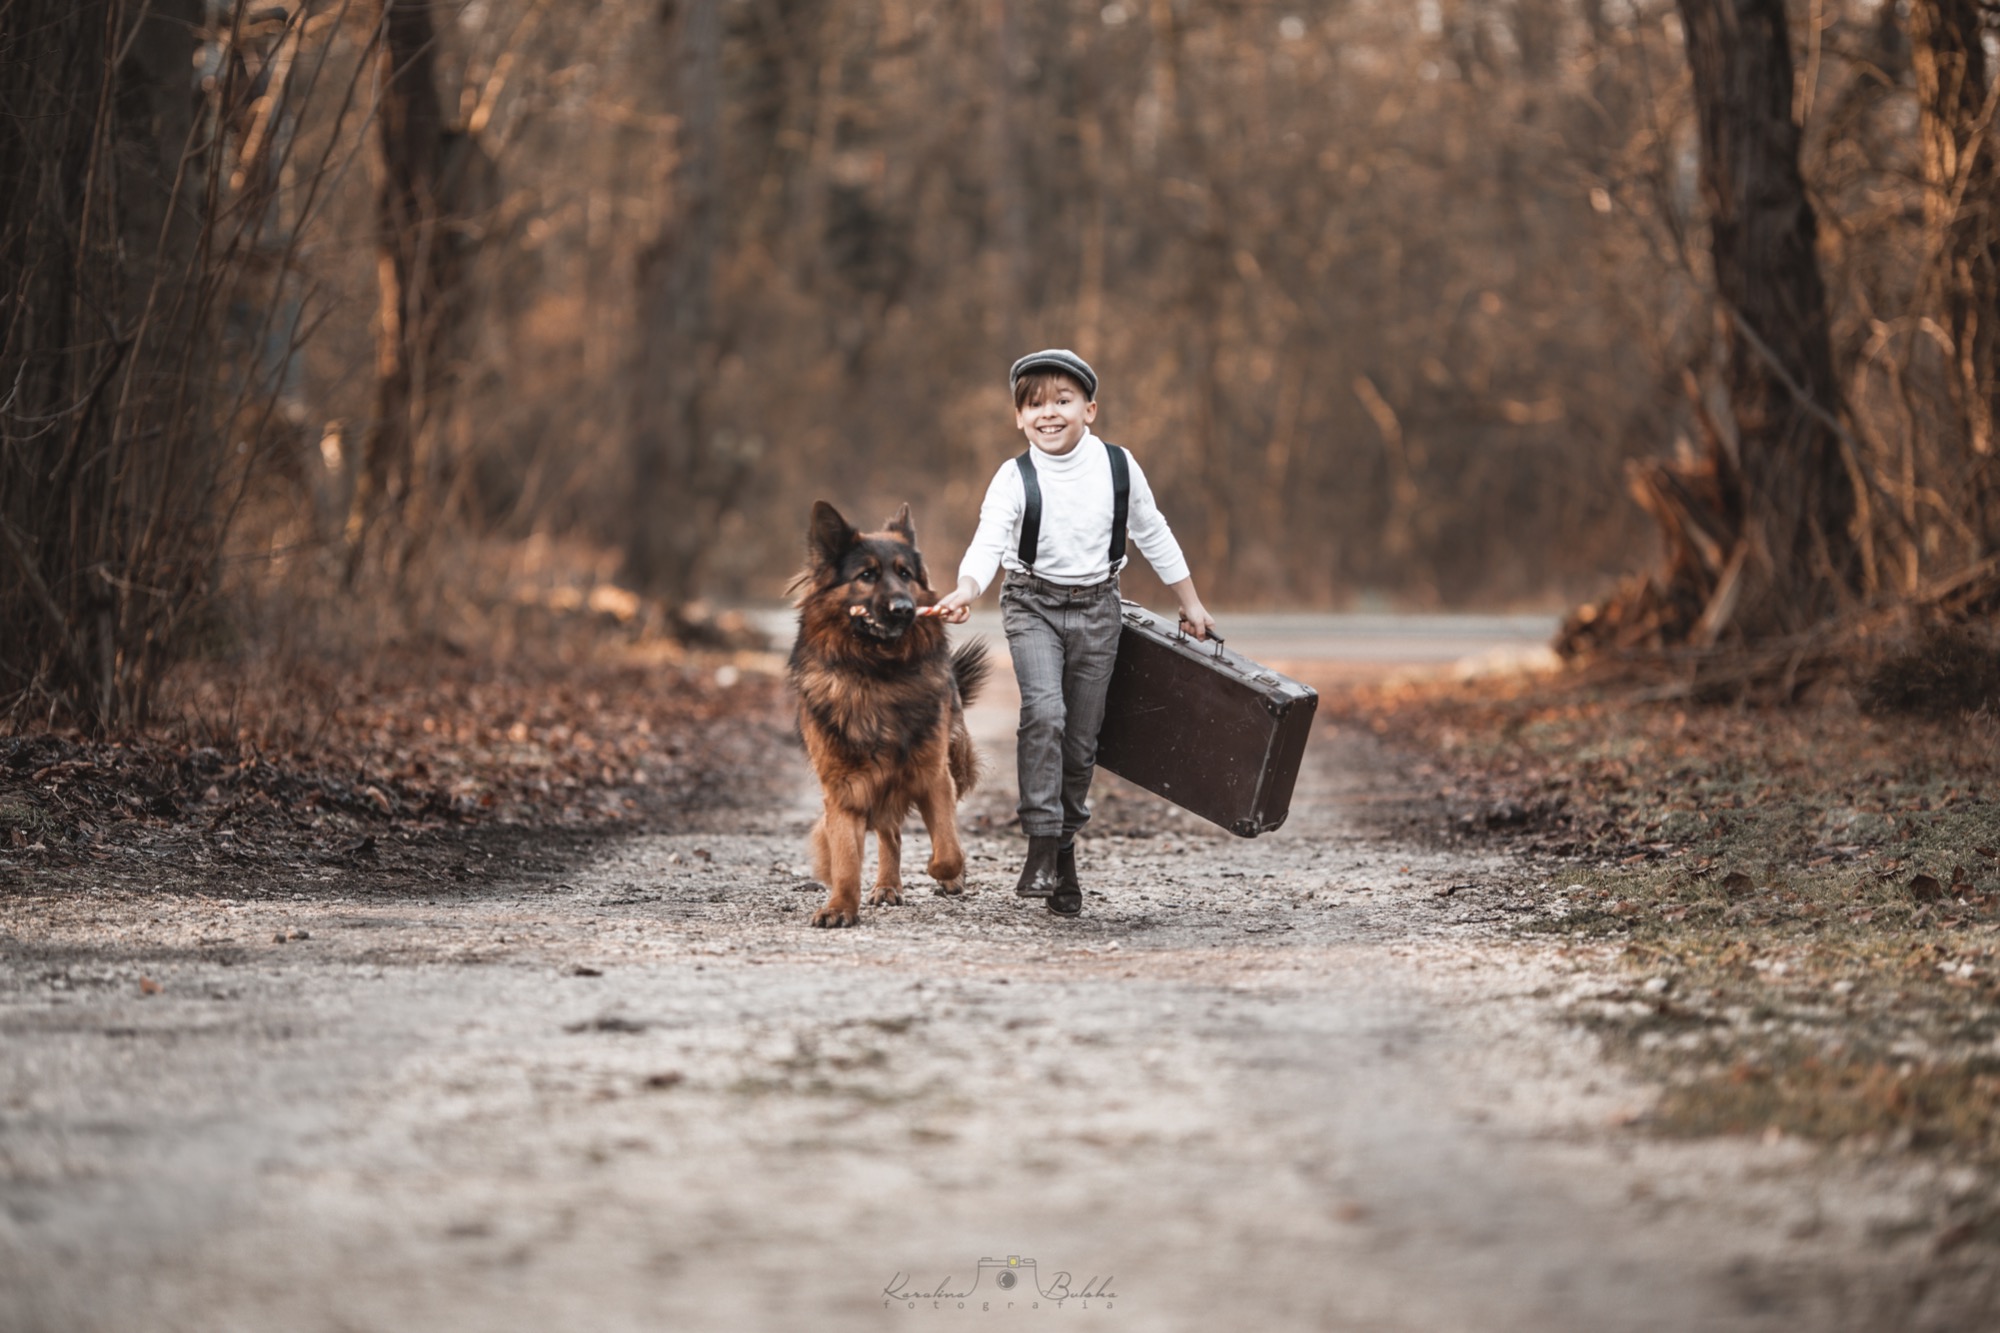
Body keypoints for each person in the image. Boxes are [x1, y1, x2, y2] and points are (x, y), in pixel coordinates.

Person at [933, 349, 1216, 917]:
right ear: (1018, 418)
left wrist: (1191, 603)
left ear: (1089, 408)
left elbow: (1153, 532)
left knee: (1082, 742)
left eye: (1062, 401)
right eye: (1034, 405)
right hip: (1031, 603)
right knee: (1045, 713)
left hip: (1098, 609)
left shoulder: (1117, 466)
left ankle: (1064, 853)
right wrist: (967, 588)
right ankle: (1040, 842)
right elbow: (989, 540)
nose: (1048, 413)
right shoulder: (1014, 477)